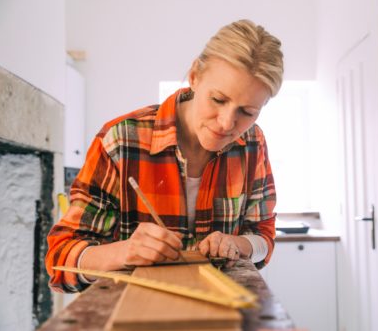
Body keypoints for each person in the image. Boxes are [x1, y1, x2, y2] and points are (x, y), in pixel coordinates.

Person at [46, 19, 284, 293]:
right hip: (132, 313)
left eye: (247, 112)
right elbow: (59, 259)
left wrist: (238, 245)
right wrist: (123, 252)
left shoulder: (253, 142)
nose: (226, 123)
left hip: (219, 309)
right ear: (194, 76)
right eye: (218, 100)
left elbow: (263, 236)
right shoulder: (121, 140)